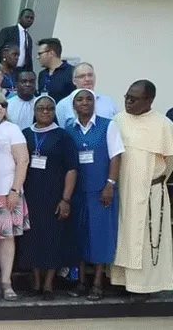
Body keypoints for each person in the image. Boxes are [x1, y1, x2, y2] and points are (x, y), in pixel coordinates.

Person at [112, 80, 173, 299]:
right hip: (123, 189)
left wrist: (152, 180)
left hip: (150, 191)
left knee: (146, 240)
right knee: (123, 235)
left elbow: (170, 161)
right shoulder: (118, 120)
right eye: (127, 97)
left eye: (134, 99)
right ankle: (120, 281)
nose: (128, 102)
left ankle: (144, 287)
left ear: (149, 101)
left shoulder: (164, 124)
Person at [64, 89, 124, 301]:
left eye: (89, 99)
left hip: (101, 192)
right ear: (74, 105)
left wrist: (110, 184)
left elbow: (116, 156)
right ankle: (81, 282)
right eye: (80, 99)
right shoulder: (69, 128)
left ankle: (98, 283)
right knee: (79, 236)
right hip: (78, 192)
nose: (85, 103)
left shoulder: (108, 125)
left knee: (100, 236)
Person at [17, 95, 77, 300]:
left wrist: (66, 199)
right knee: (32, 238)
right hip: (30, 195)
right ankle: (36, 282)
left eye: (49, 109)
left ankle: (49, 284)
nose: (45, 112)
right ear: (34, 111)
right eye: (41, 108)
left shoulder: (63, 136)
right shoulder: (25, 134)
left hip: (54, 196)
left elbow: (71, 169)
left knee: (52, 239)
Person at [0, 91, 29, 301]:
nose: (0, 107)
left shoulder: (12, 129)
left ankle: (6, 281)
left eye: (4, 104)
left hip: (6, 191)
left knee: (6, 238)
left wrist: (15, 190)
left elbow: (23, 161)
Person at [55, 62, 118, 129]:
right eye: (82, 76)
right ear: (74, 81)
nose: (87, 79)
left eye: (90, 75)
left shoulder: (108, 102)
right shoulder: (63, 105)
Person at [0, 8, 34, 72]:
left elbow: (29, 59)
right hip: (7, 70)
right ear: (20, 17)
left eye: (31, 18)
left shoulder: (29, 38)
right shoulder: (7, 31)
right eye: (27, 17)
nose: (29, 19)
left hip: (22, 72)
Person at [36, 38, 75, 102]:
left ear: (51, 53)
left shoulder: (72, 72)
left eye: (40, 54)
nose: (37, 57)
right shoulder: (42, 74)